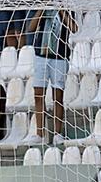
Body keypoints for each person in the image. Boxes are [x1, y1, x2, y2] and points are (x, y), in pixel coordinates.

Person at [26, 8, 77, 145]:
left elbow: (73, 28)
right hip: (41, 55)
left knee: (58, 94)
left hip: (59, 56)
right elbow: (31, 28)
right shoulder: (42, 8)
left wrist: (61, 10)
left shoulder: (67, 8)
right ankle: (40, 133)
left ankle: (57, 133)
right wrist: (42, 9)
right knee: (38, 94)